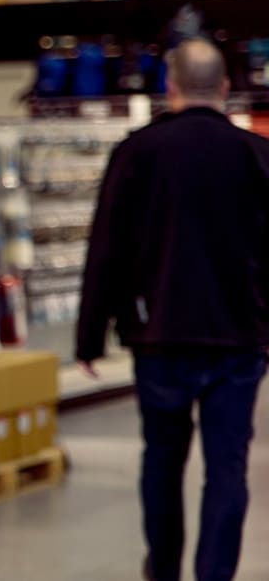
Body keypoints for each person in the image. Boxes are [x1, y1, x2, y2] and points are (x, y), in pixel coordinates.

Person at [77, 38, 269, 581]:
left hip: (158, 335)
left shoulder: (138, 152)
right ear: (226, 88)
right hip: (239, 339)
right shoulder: (256, 155)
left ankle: (162, 568)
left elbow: (106, 248)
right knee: (227, 466)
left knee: (161, 460)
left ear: (171, 86)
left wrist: (90, 336)